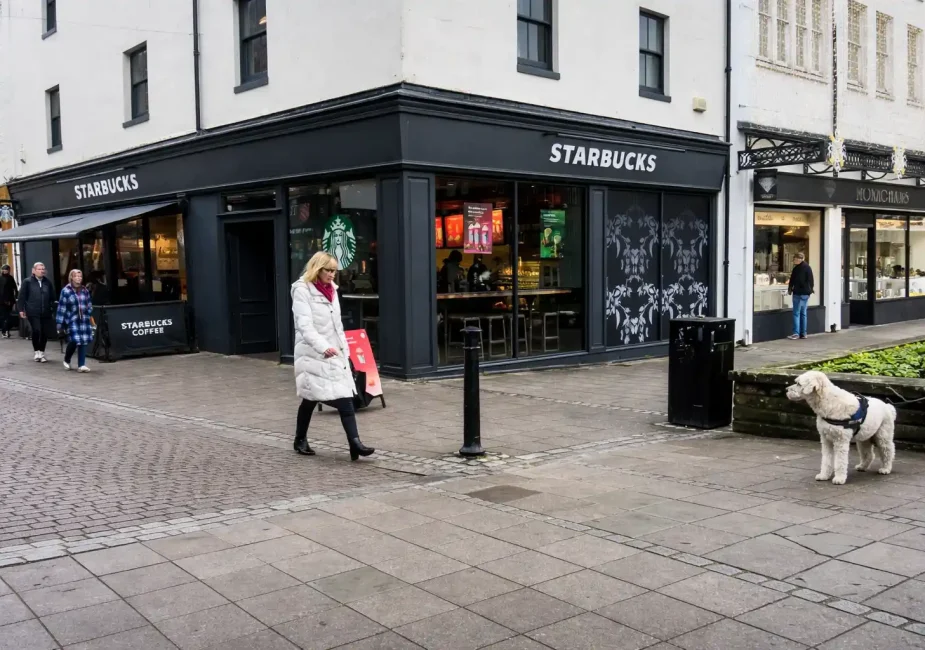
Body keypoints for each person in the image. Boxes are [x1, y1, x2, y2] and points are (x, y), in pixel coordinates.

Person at [291, 251, 375, 460]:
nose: (332, 275)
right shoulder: (301, 290)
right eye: (329, 270)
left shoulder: (332, 290)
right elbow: (304, 325)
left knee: (344, 396)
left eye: (335, 271)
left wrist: (345, 352)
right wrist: (322, 346)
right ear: (317, 269)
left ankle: (354, 444)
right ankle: (300, 439)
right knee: (310, 398)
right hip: (312, 352)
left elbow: (337, 326)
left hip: (334, 352)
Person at [56, 269, 94, 372]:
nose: (79, 278)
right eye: (76, 276)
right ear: (71, 277)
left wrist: (89, 311)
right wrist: (59, 322)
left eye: (80, 276)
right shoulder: (66, 290)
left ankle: (81, 365)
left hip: (84, 319)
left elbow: (89, 303)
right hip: (72, 319)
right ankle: (67, 359)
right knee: (74, 340)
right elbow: (62, 307)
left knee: (83, 341)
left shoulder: (85, 290)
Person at [17, 262, 56, 362]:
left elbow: (52, 297)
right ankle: (36, 351)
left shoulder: (47, 282)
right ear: (33, 271)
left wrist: (52, 307)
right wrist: (21, 309)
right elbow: (22, 296)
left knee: (44, 332)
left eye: (43, 269)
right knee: (36, 330)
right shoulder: (27, 282)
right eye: (39, 269)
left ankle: (41, 353)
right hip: (33, 311)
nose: (42, 270)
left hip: (46, 311)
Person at [787, 252, 814, 340]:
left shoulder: (797, 269)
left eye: (794, 259)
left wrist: (790, 288)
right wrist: (809, 291)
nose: (794, 261)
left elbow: (793, 280)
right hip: (805, 293)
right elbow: (811, 281)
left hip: (798, 293)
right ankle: (803, 333)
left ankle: (796, 333)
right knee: (803, 313)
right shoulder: (808, 268)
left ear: (799, 259)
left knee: (796, 313)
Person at [0, 265, 18, 338]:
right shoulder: (5, 278)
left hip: (8, 300)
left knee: (7, 316)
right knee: (5, 316)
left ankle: (5, 331)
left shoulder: (10, 278)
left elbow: (14, 288)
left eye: (6, 270)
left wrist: (15, 297)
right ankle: (5, 331)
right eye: (3, 270)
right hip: (4, 301)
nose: (4, 271)